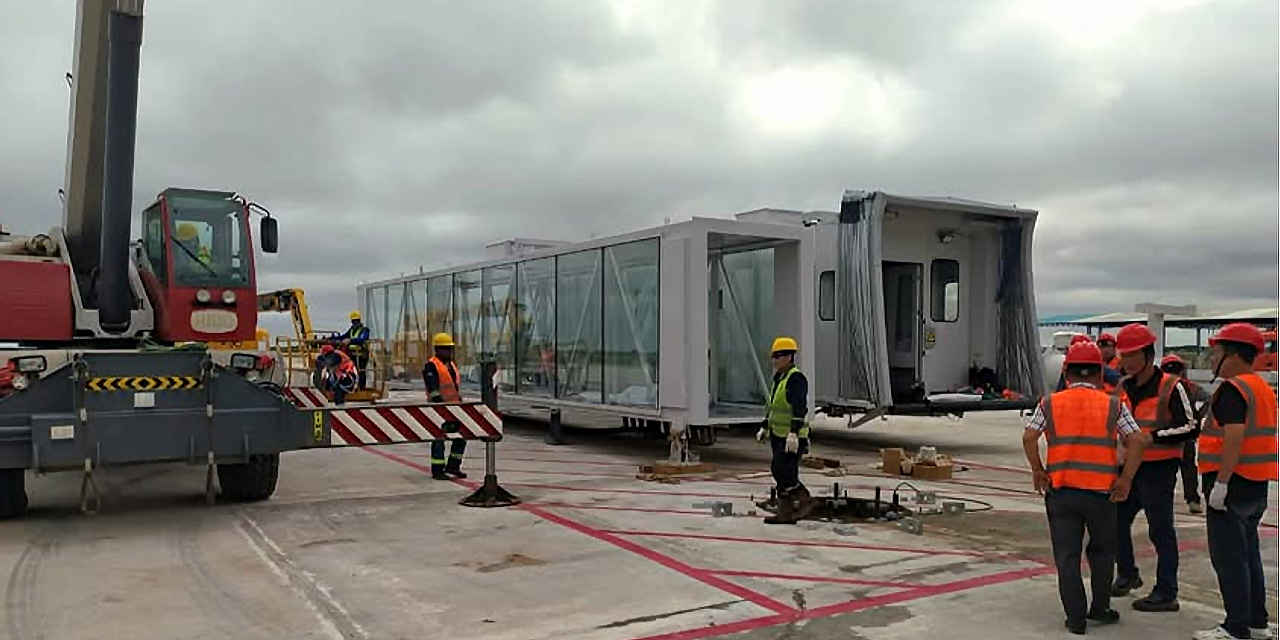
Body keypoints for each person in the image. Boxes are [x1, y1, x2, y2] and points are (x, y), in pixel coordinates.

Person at [1023, 341, 1149, 635]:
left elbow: (1029, 437)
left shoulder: (1050, 403)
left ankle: (1076, 619)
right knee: (1103, 552)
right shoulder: (1114, 405)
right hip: (1102, 495)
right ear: (1099, 373)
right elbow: (1139, 440)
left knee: (1067, 557)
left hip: (1063, 492)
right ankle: (1101, 608)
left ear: (1066, 371)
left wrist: (1038, 471)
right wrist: (1126, 479)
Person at [1194, 323, 1278, 640]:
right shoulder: (1261, 389)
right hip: (1257, 484)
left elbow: (1234, 436)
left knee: (1229, 558)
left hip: (1232, 483)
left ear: (1231, 355)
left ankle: (1236, 626)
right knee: (1248, 554)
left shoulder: (1232, 389)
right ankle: (1257, 621)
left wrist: (1222, 483)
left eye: (1216, 352)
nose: (1213, 358)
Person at [1110, 323, 1199, 612]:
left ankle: (1166, 591)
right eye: (1122, 355)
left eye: (1130, 355)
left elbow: (1190, 426)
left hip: (1159, 468)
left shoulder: (1172, 386)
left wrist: (1154, 437)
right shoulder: (1123, 386)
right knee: (1115, 521)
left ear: (1147, 354)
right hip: (1128, 467)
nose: (1124, 361)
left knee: (1160, 529)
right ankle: (1127, 573)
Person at [755, 336, 817, 525]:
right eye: (773, 356)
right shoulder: (778, 379)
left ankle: (805, 499)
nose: (774, 360)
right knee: (781, 473)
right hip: (777, 434)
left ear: (790, 357)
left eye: (779, 356)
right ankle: (785, 514)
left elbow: (799, 407)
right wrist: (765, 426)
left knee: (782, 469)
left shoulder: (796, 379)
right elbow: (774, 407)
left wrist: (794, 433)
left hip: (792, 436)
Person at [1161, 353, 1212, 515]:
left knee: (1170, 471)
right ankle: (1192, 499)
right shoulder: (1191, 387)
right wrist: (1199, 416)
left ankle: (1175, 499)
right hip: (1184, 435)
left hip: (1169, 435)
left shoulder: (1161, 388)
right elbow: (1208, 400)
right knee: (1187, 468)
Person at [423, 332, 466, 480]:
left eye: (450, 348)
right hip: (439, 408)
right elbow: (432, 386)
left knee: (461, 437)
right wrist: (438, 401)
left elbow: (453, 386)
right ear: (438, 349)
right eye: (446, 348)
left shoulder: (451, 365)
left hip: (454, 407)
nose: (449, 351)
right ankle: (438, 470)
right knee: (439, 438)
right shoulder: (431, 365)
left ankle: (453, 466)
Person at [335, 311, 371, 389]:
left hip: (362, 354)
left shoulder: (364, 330)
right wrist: (333, 339)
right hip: (352, 354)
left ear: (359, 321)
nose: (355, 323)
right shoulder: (351, 330)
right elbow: (343, 337)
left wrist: (351, 340)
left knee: (360, 370)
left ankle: (361, 387)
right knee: (350, 370)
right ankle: (351, 385)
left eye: (357, 321)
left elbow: (361, 339)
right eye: (354, 321)